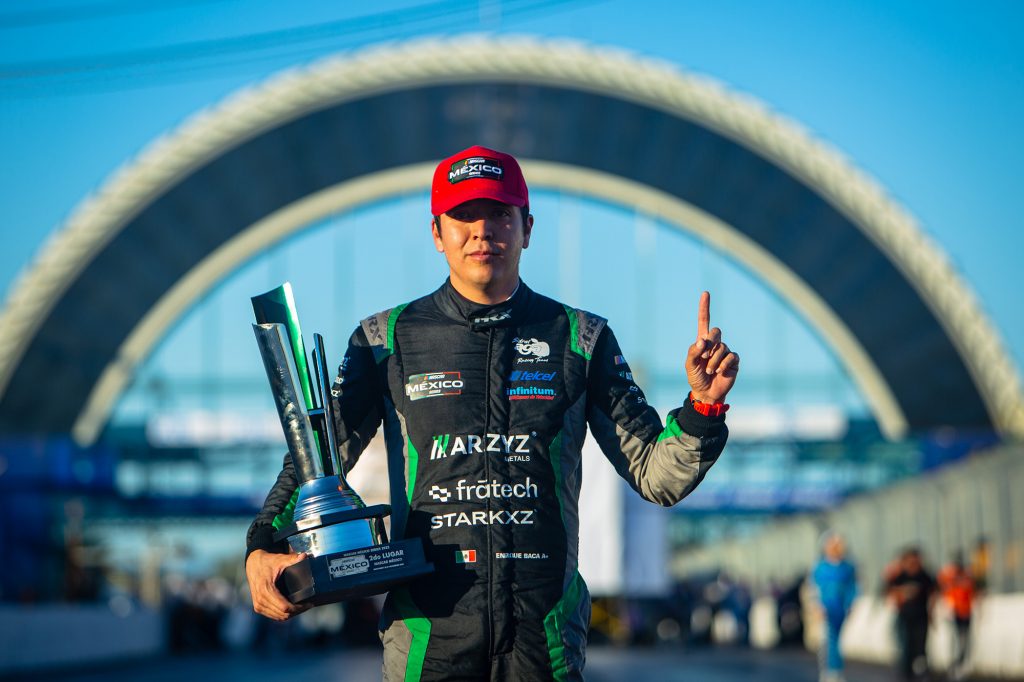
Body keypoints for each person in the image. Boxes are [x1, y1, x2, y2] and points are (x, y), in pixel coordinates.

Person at [244, 145, 739, 681]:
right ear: (437, 233)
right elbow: (314, 458)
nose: (482, 231)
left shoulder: (582, 338)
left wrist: (703, 408)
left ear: (527, 228)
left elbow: (657, 474)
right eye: (463, 216)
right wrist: (261, 545)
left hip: (542, 643)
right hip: (428, 639)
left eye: (500, 213)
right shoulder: (384, 341)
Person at [811, 531, 858, 682]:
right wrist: (816, 606)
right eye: (833, 545)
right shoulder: (820, 567)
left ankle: (837, 671)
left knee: (838, 641)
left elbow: (853, 587)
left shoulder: (848, 567)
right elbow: (813, 588)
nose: (837, 548)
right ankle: (828, 672)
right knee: (827, 641)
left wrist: (851, 604)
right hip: (825, 609)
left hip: (841, 609)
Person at [886, 547, 936, 681]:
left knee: (920, 646)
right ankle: (906, 674)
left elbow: (933, 594)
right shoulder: (900, 576)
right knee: (906, 647)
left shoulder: (924, 576)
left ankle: (920, 672)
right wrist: (903, 592)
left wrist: (932, 614)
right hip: (905, 617)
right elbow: (890, 591)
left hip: (921, 617)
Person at [937, 551, 975, 680]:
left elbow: (973, 592)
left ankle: (961, 663)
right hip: (953, 613)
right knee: (954, 639)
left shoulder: (967, 576)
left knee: (965, 639)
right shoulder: (947, 575)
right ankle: (953, 664)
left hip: (966, 612)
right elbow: (941, 590)